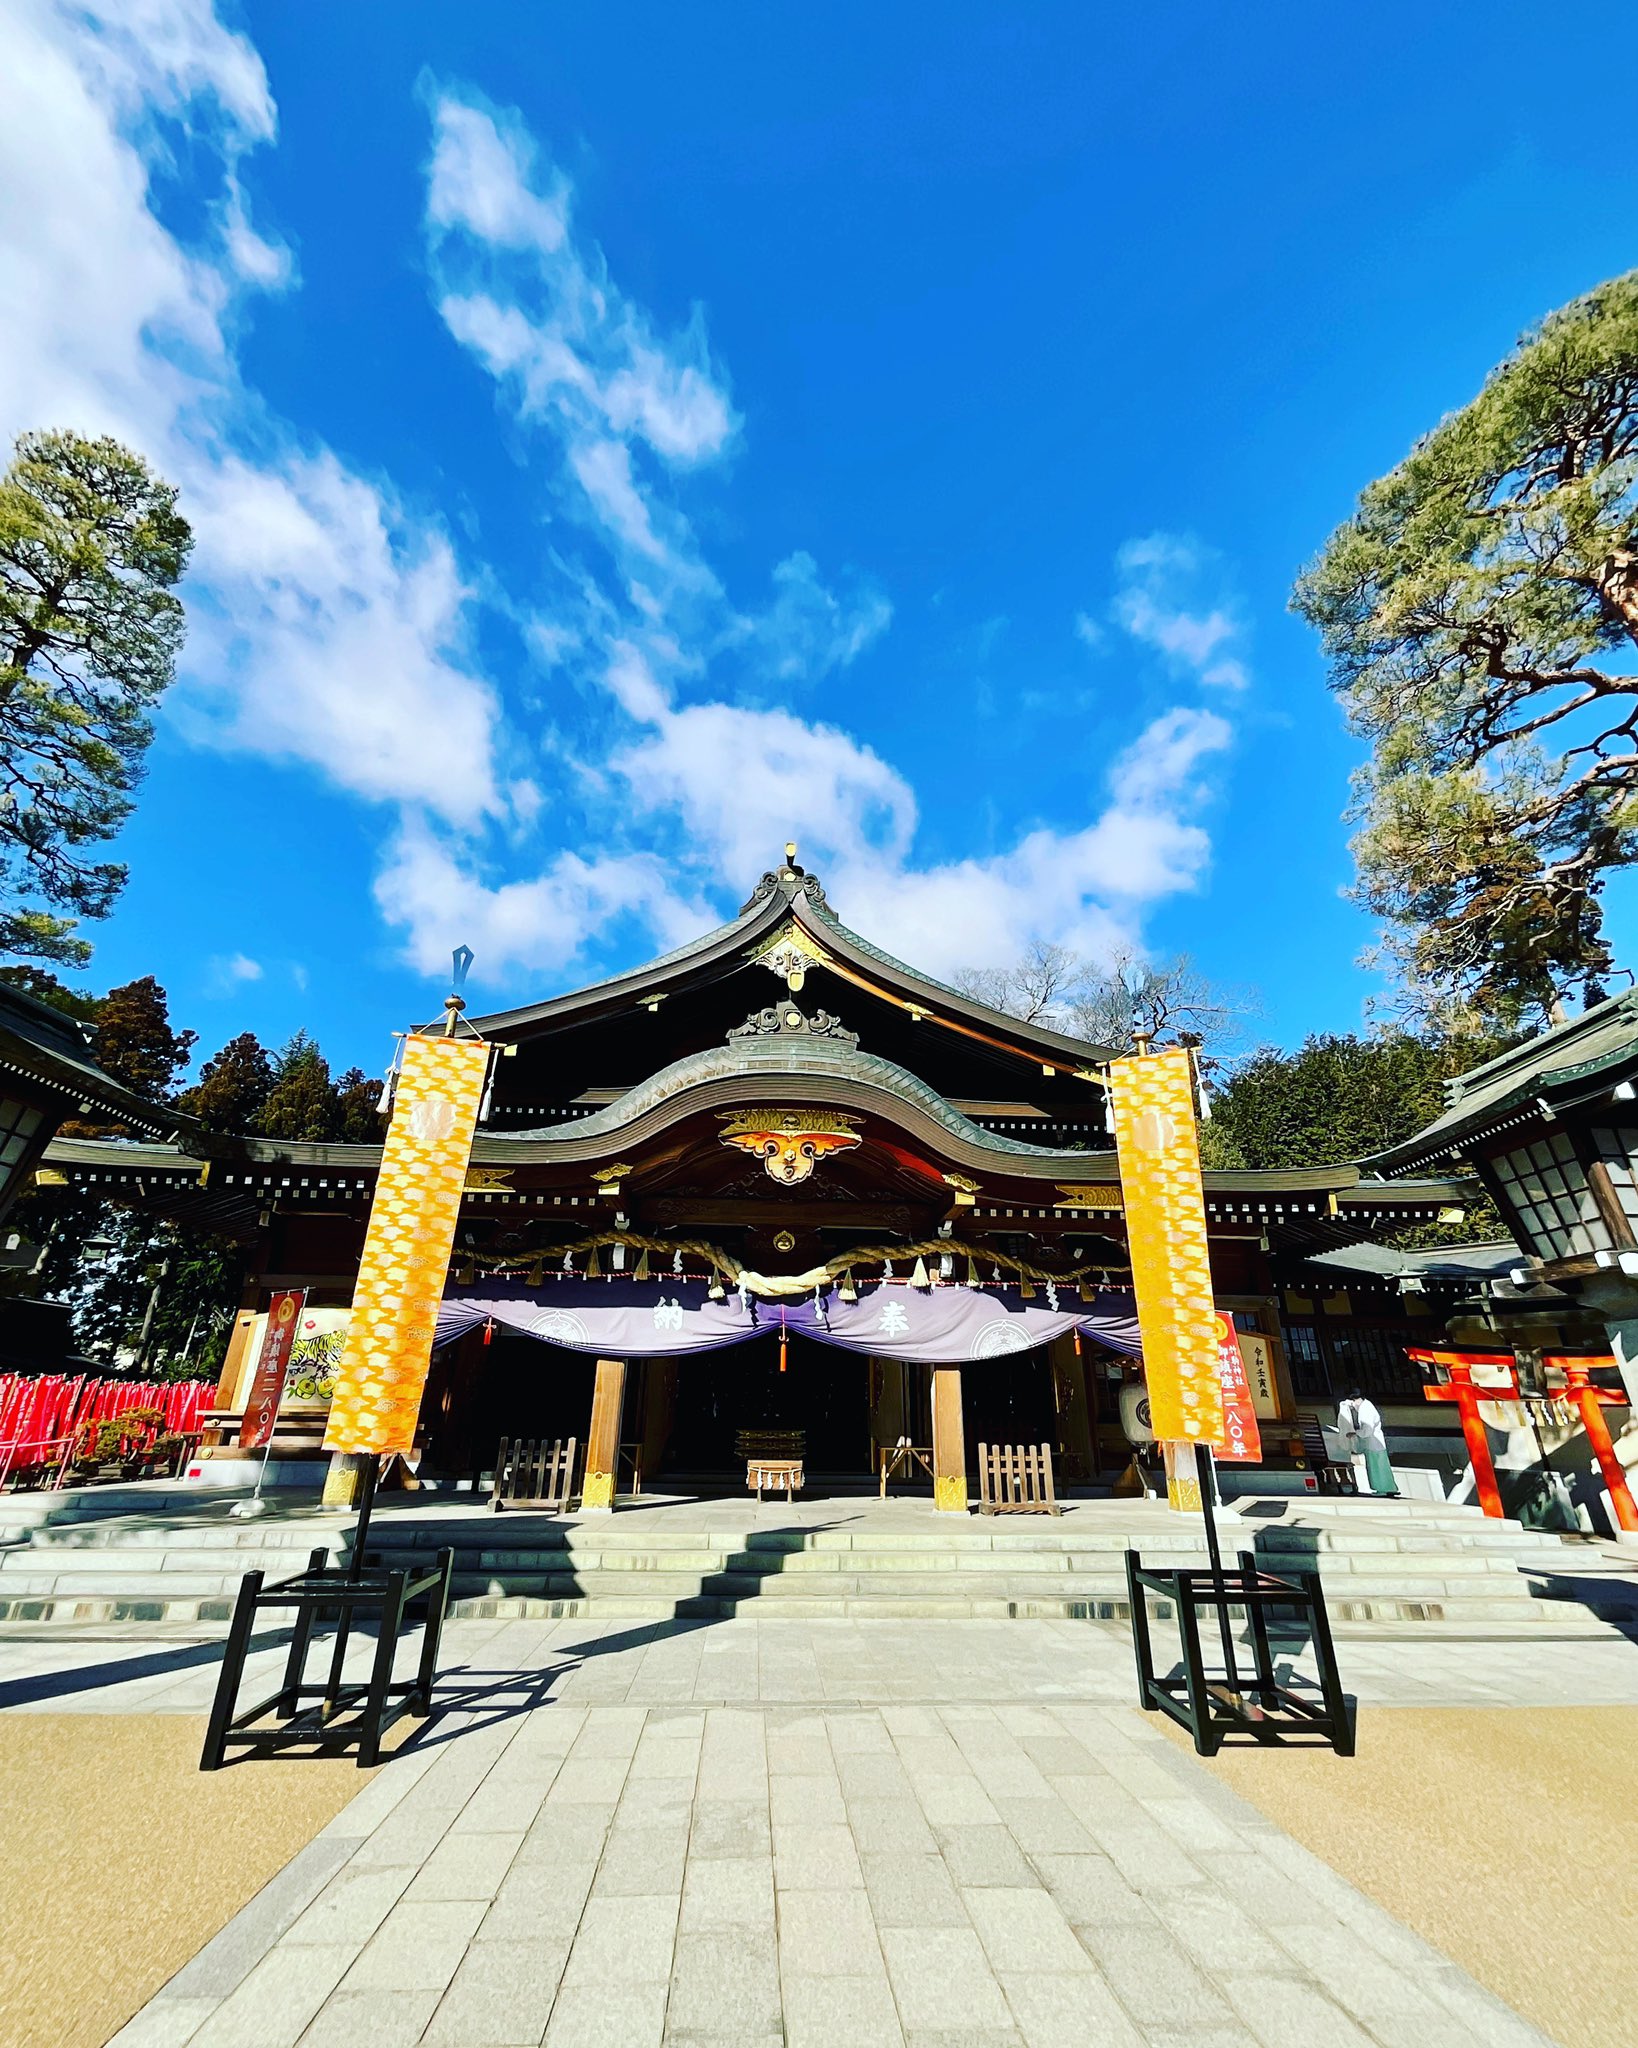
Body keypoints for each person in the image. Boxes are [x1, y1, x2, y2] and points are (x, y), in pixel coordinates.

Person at [1337, 1389, 1398, 1497]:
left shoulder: (1366, 1408)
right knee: (1380, 1466)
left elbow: (1367, 1430)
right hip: (1375, 1443)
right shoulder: (1367, 1406)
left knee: (1376, 1468)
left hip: (1373, 1443)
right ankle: (1388, 1488)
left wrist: (1354, 1433)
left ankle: (1382, 1489)